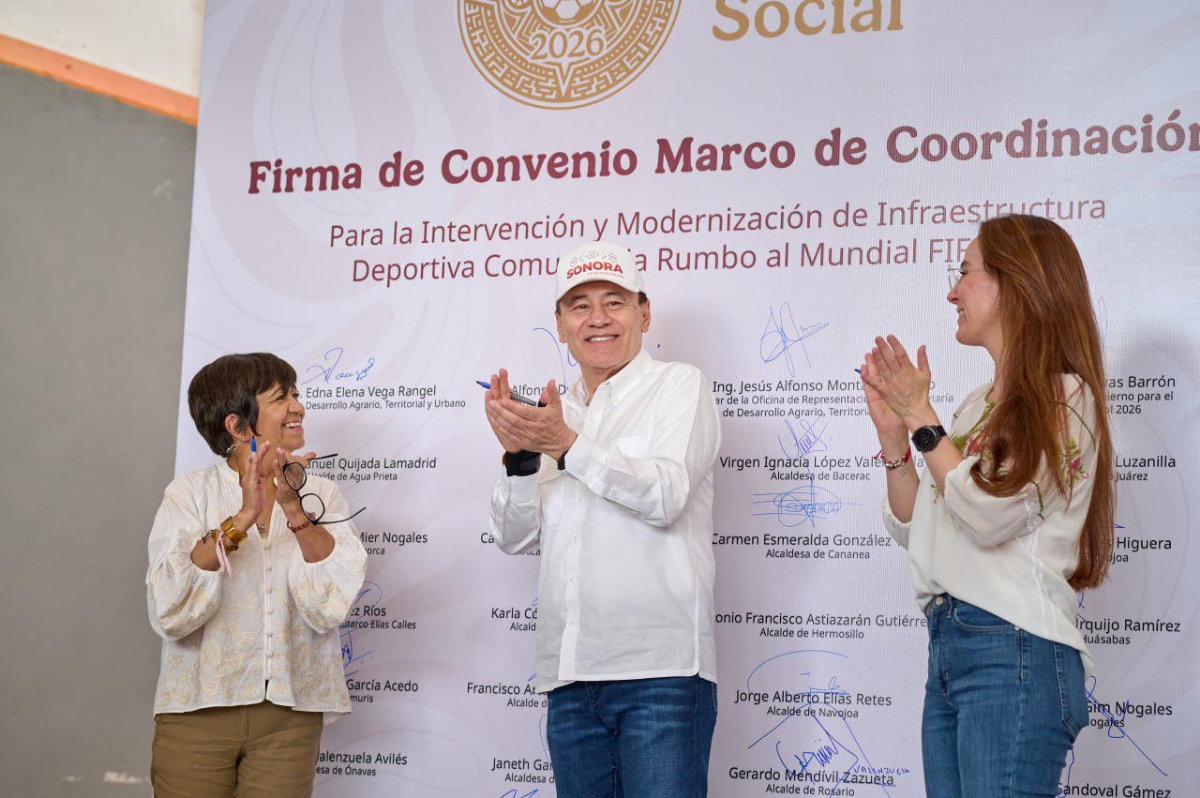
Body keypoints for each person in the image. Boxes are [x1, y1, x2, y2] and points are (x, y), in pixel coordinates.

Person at [860, 215, 1114, 798]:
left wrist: (922, 418)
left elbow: (989, 516)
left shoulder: (1066, 396)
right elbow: (918, 527)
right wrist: (896, 440)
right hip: (951, 648)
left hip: (1013, 647)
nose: (952, 292)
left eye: (966, 272)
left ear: (1016, 283)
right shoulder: (977, 404)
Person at [484, 241, 721, 798]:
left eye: (614, 302)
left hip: (660, 676)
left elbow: (666, 495)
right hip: (569, 681)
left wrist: (567, 445)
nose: (598, 319)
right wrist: (521, 460)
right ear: (560, 325)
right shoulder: (553, 412)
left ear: (644, 313)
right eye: (580, 306)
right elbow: (513, 537)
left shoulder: (680, 386)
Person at [147, 352, 367, 797]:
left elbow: (331, 602)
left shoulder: (320, 492)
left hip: (289, 714)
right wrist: (245, 515)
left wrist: (293, 509)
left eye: (296, 395)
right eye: (281, 398)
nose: (298, 407)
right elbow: (171, 605)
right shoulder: (189, 492)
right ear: (238, 425)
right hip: (198, 708)